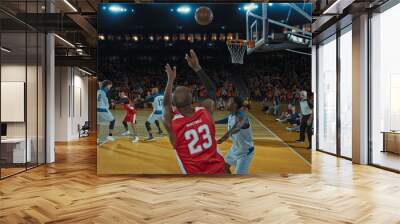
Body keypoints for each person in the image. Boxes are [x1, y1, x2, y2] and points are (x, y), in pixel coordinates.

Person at [162, 50, 225, 174]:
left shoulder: (172, 123)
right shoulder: (205, 110)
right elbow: (212, 90)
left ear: (174, 105)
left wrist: (170, 80)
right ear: (193, 100)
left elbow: (165, 105)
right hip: (218, 170)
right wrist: (197, 67)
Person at [216, 96, 254, 174]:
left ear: (235, 105)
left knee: (239, 179)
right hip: (236, 148)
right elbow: (227, 119)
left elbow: (236, 128)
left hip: (245, 151)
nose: (226, 103)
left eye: (229, 102)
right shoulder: (231, 114)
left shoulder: (243, 117)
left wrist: (221, 140)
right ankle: (230, 183)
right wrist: (213, 122)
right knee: (224, 167)